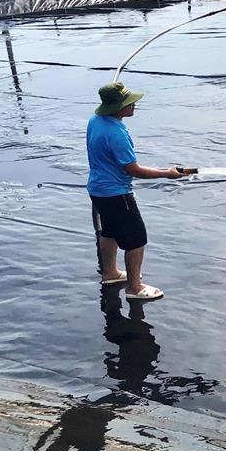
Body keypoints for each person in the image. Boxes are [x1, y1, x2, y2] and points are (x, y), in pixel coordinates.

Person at [87, 82, 182, 301]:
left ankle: (110, 273)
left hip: (98, 189)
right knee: (136, 239)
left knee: (109, 231)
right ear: (116, 108)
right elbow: (133, 170)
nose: (134, 105)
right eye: (128, 103)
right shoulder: (116, 134)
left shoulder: (96, 121)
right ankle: (134, 286)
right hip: (117, 194)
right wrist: (167, 174)